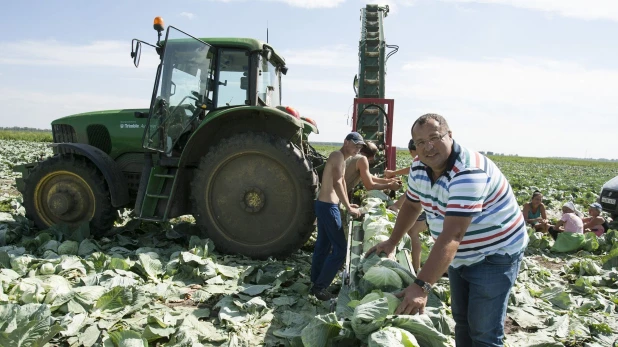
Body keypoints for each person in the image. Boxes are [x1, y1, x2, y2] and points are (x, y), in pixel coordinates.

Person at [366, 113, 528, 347]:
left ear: (449, 135)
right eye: (420, 142)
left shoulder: (468, 172)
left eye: (434, 138)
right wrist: (392, 241)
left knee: (484, 332)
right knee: (462, 321)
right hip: (459, 255)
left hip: (495, 253)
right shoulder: (419, 167)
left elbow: (453, 235)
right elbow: (412, 205)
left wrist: (421, 286)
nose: (428, 147)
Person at [310, 132, 363, 301]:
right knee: (340, 249)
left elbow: (342, 183)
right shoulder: (338, 156)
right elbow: (337, 182)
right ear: (346, 142)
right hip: (328, 207)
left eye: (360, 146)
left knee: (323, 246)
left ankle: (316, 283)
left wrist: (348, 203)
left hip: (324, 205)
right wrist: (348, 207)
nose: (357, 148)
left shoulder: (341, 158)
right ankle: (320, 287)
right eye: (355, 144)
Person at [385, 139, 427, 273]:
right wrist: (394, 173)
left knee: (412, 231)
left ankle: (416, 269)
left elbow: (413, 193)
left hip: (431, 206)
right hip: (428, 204)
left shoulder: (422, 161)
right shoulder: (422, 161)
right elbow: (411, 171)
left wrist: (397, 205)